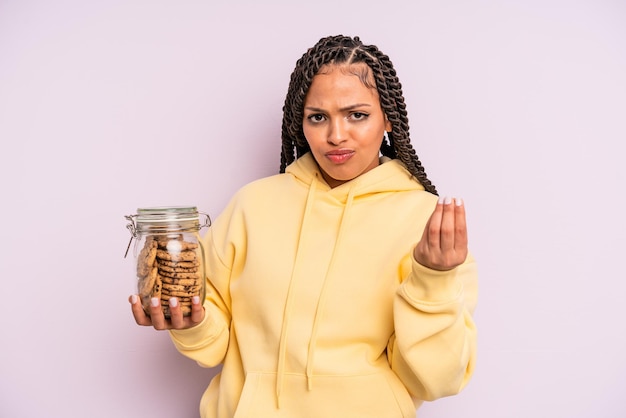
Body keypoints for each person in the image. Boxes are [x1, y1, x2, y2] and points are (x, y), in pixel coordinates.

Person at [130, 34, 478, 418]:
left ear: (389, 119)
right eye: (318, 117)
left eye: (356, 115)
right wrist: (189, 323)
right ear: (301, 123)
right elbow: (214, 342)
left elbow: (436, 380)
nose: (336, 135)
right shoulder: (252, 205)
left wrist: (434, 279)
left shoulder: (426, 224)